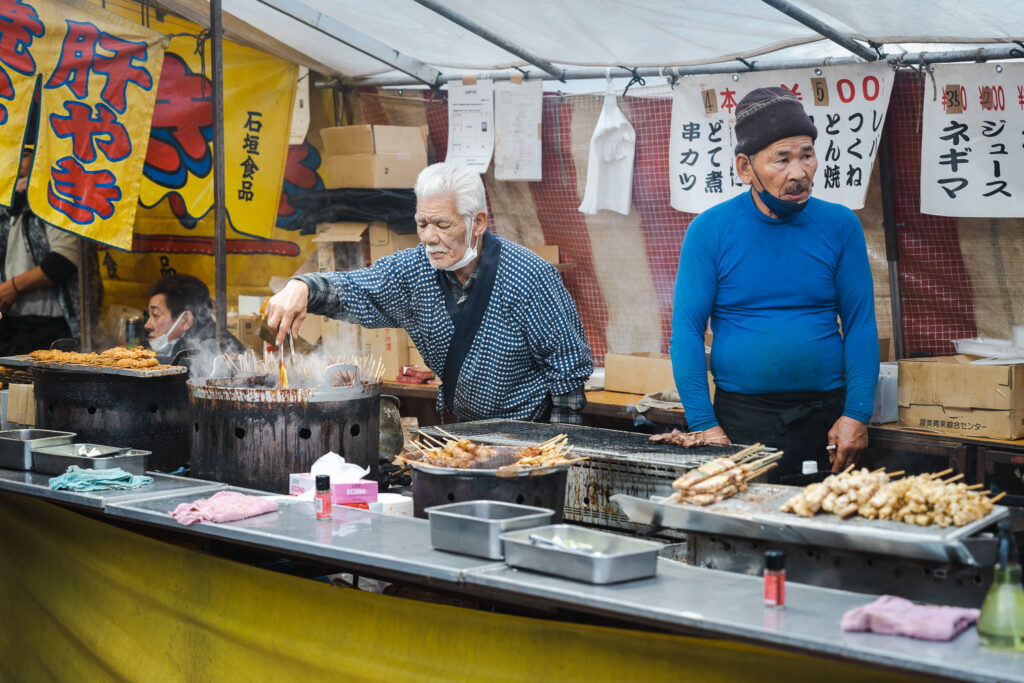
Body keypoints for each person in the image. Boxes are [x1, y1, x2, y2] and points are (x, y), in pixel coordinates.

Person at [266, 162, 593, 423]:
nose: (429, 237)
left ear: (477, 223)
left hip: (528, 434)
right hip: (464, 431)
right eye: (422, 223)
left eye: (442, 224)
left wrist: (558, 452)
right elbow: (358, 288)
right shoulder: (413, 271)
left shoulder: (529, 276)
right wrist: (304, 287)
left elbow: (567, 373)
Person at [670, 87, 879, 480]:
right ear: (745, 168)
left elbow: (861, 325)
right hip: (739, 422)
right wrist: (703, 423)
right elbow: (685, 333)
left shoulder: (840, 226)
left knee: (821, 528)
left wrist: (856, 413)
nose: (799, 173)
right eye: (781, 159)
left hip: (826, 418)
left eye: (806, 155)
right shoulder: (710, 231)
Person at [0, 147, 101, 354]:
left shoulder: (58, 197)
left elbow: (65, 259)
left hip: (52, 326)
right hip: (13, 324)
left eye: (25, 154)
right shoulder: (7, 203)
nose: (16, 162)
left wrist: (14, 287)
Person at [146, 274, 243, 371]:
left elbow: (187, 365)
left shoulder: (211, 344)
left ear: (186, 320)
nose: (147, 325)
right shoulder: (185, 340)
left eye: (155, 315)